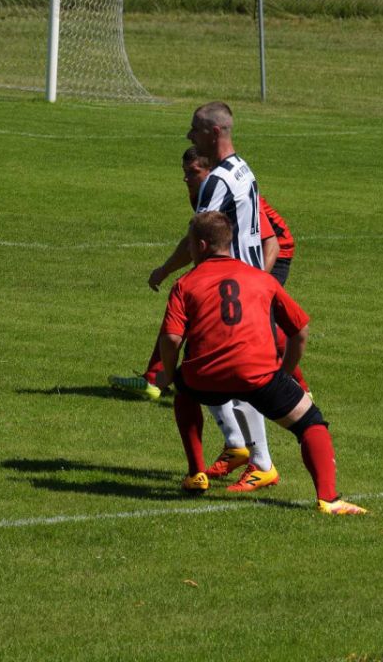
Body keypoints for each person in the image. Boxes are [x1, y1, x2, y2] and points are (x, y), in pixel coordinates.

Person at [109, 146, 310, 483]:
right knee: (204, 346)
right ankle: (236, 444)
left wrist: (256, 285)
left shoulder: (232, 193)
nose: (187, 179)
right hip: (229, 271)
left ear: (211, 171)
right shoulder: (205, 200)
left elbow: (273, 242)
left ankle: (289, 400)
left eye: (194, 173)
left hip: (270, 257)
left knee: (252, 344)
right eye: (185, 173)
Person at [158, 212, 367, 515]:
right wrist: (285, 374)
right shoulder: (261, 278)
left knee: (184, 390)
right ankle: (329, 499)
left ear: (201, 246)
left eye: (190, 245)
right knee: (311, 423)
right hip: (258, 375)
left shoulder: (185, 283)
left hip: (205, 376)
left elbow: (172, 338)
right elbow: (300, 331)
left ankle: (196, 473)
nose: (189, 250)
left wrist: (168, 373)